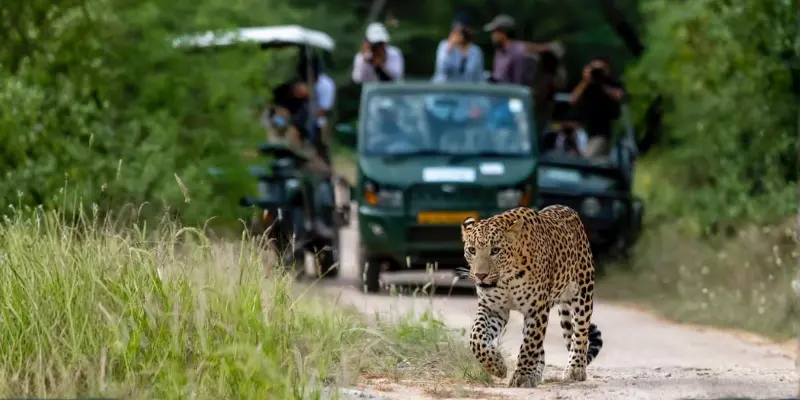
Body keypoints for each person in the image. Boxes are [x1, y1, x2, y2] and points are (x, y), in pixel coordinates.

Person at [569, 56, 626, 158]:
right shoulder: (586, 85)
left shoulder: (612, 82)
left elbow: (619, 96)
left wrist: (602, 85)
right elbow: (573, 99)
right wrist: (585, 81)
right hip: (584, 130)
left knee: (588, 159)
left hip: (602, 132)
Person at [432, 14, 484, 83]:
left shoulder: (476, 51)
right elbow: (441, 70)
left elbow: (479, 78)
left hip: (467, 92)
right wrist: (449, 47)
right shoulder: (444, 46)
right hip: (444, 91)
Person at [483, 14, 532, 85]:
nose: (492, 36)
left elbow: (519, 82)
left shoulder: (518, 52)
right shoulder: (499, 51)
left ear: (503, 32)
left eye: (494, 32)